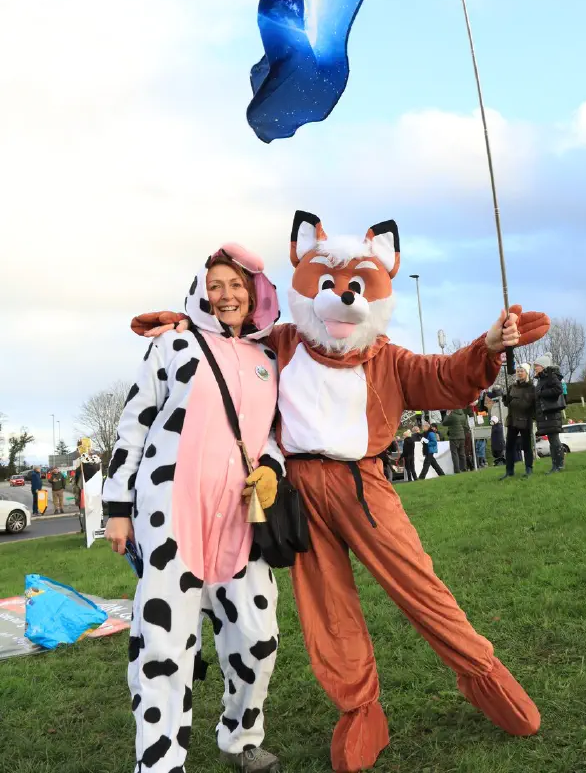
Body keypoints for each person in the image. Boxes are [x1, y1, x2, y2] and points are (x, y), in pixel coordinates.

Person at [131, 210, 550, 772]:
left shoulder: (388, 359)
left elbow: (445, 376)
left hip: (364, 485)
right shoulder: (280, 343)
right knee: (327, 612)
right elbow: (228, 341)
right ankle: (359, 710)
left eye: (353, 288)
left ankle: (482, 674)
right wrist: (182, 324)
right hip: (299, 491)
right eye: (327, 285)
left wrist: (488, 347)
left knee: (419, 586)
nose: (340, 298)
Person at [103, 243, 285, 773]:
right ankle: (160, 761)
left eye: (237, 286)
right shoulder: (174, 345)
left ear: (254, 296)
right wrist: (118, 506)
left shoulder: (268, 358)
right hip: (171, 517)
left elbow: (272, 435)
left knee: (257, 638)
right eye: (217, 285)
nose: (226, 295)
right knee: (163, 642)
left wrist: (270, 469)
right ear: (203, 290)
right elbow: (134, 424)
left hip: (241, 521)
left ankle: (241, 736)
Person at [501, 363, 536, 480]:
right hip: (512, 420)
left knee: (526, 446)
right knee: (509, 446)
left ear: (526, 373)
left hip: (525, 420)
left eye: (522, 371)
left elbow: (534, 404)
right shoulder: (512, 387)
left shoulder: (531, 387)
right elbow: (507, 403)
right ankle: (509, 471)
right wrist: (505, 398)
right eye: (518, 371)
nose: (519, 373)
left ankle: (528, 469)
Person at [533, 354, 566, 474]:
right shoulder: (542, 379)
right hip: (546, 414)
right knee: (552, 441)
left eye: (537, 366)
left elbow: (558, 389)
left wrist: (542, 393)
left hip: (551, 413)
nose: (535, 368)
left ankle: (559, 465)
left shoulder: (551, 376)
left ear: (543, 366)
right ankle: (555, 465)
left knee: (554, 440)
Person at [443, 407, 468, 473]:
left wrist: (447, 415)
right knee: (462, 453)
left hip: (454, 437)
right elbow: (465, 425)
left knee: (454, 454)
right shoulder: (463, 415)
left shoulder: (452, 415)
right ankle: (464, 468)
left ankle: (457, 470)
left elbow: (444, 423)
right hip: (462, 436)